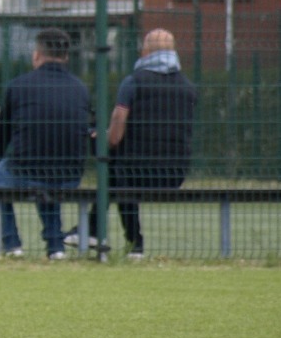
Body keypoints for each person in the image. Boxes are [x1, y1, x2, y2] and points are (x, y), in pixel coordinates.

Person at [66, 28, 197, 259]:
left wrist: (99, 135)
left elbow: (115, 135)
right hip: (175, 174)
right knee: (119, 174)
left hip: (136, 172)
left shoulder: (133, 82)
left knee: (115, 171)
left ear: (146, 51)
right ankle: (112, 238)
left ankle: (119, 239)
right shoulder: (188, 87)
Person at [0, 28, 91, 260]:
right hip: (69, 175)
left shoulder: (18, 86)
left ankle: (12, 245)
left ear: (37, 54)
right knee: (48, 179)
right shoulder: (80, 88)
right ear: (66, 56)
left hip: (27, 170)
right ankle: (55, 246)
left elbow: (3, 131)